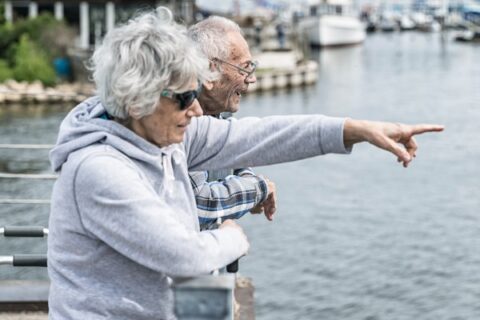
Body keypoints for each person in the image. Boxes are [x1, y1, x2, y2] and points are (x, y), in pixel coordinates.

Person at [48, 8, 443, 320]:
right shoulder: (98, 169)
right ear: (137, 102)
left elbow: (261, 135)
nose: (196, 109)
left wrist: (358, 129)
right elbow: (184, 256)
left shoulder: (159, 137)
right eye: (185, 98)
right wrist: (234, 236)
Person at [188, 16, 276, 230]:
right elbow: (198, 203)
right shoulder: (179, 123)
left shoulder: (221, 116)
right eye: (245, 68)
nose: (252, 78)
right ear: (212, 71)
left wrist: (248, 185)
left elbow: (239, 163)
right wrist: (258, 189)